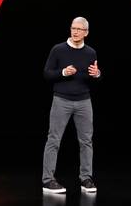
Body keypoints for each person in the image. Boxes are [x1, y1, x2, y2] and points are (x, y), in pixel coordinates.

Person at [41, 17, 101, 194]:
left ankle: (86, 178)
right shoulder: (58, 50)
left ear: (86, 33)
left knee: (86, 141)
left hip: (84, 101)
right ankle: (48, 180)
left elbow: (94, 77)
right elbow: (47, 74)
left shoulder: (91, 53)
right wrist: (63, 72)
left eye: (79, 29)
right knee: (54, 140)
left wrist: (97, 74)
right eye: (73, 28)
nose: (75, 31)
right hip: (62, 100)